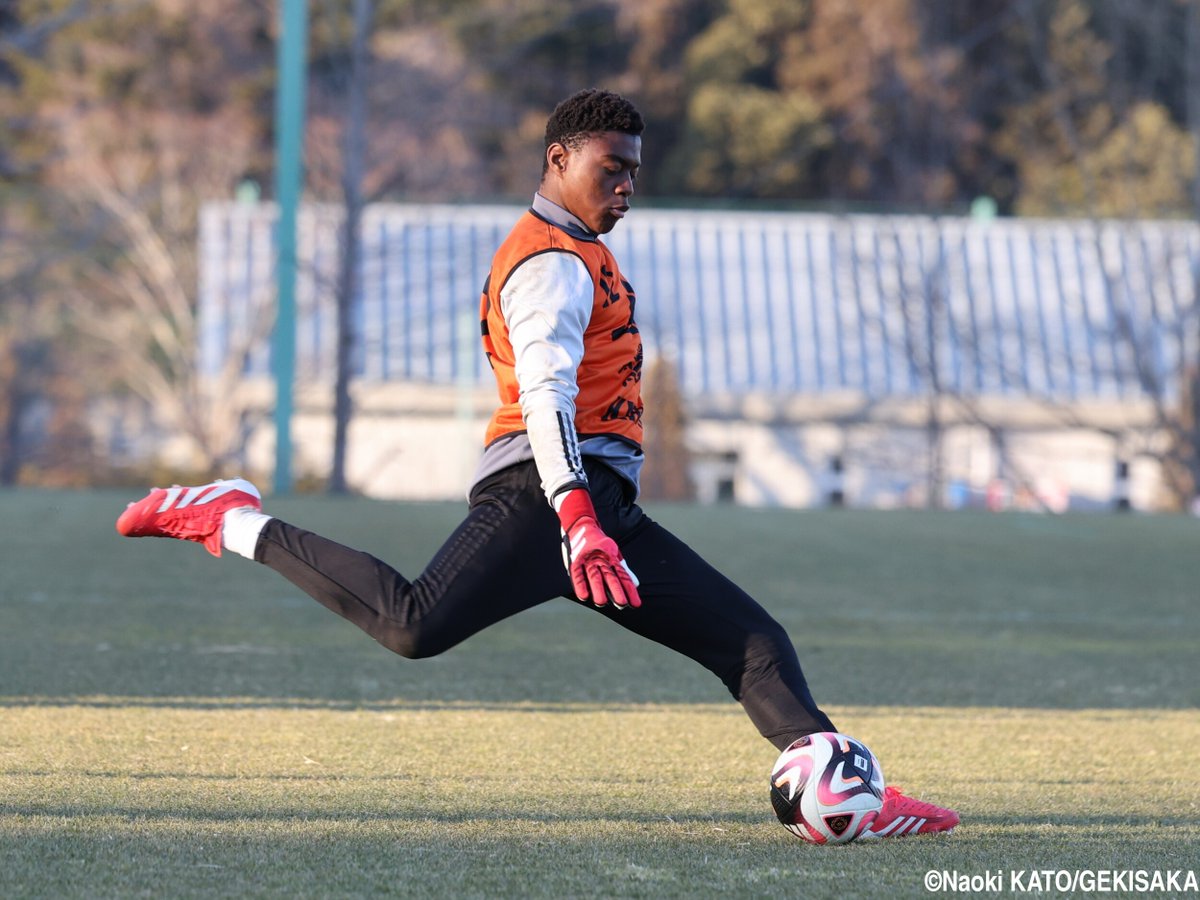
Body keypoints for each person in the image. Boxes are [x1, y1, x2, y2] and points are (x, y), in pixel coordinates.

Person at [117, 88, 957, 838]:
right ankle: (228, 516)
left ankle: (852, 797)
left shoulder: (583, 249)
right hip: (545, 501)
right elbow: (549, 399)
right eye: (611, 168)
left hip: (598, 511)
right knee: (412, 625)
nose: (626, 186)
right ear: (559, 160)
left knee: (751, 642)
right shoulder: (550, 264)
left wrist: (598, 516)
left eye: (634, 171)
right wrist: (577, 517)